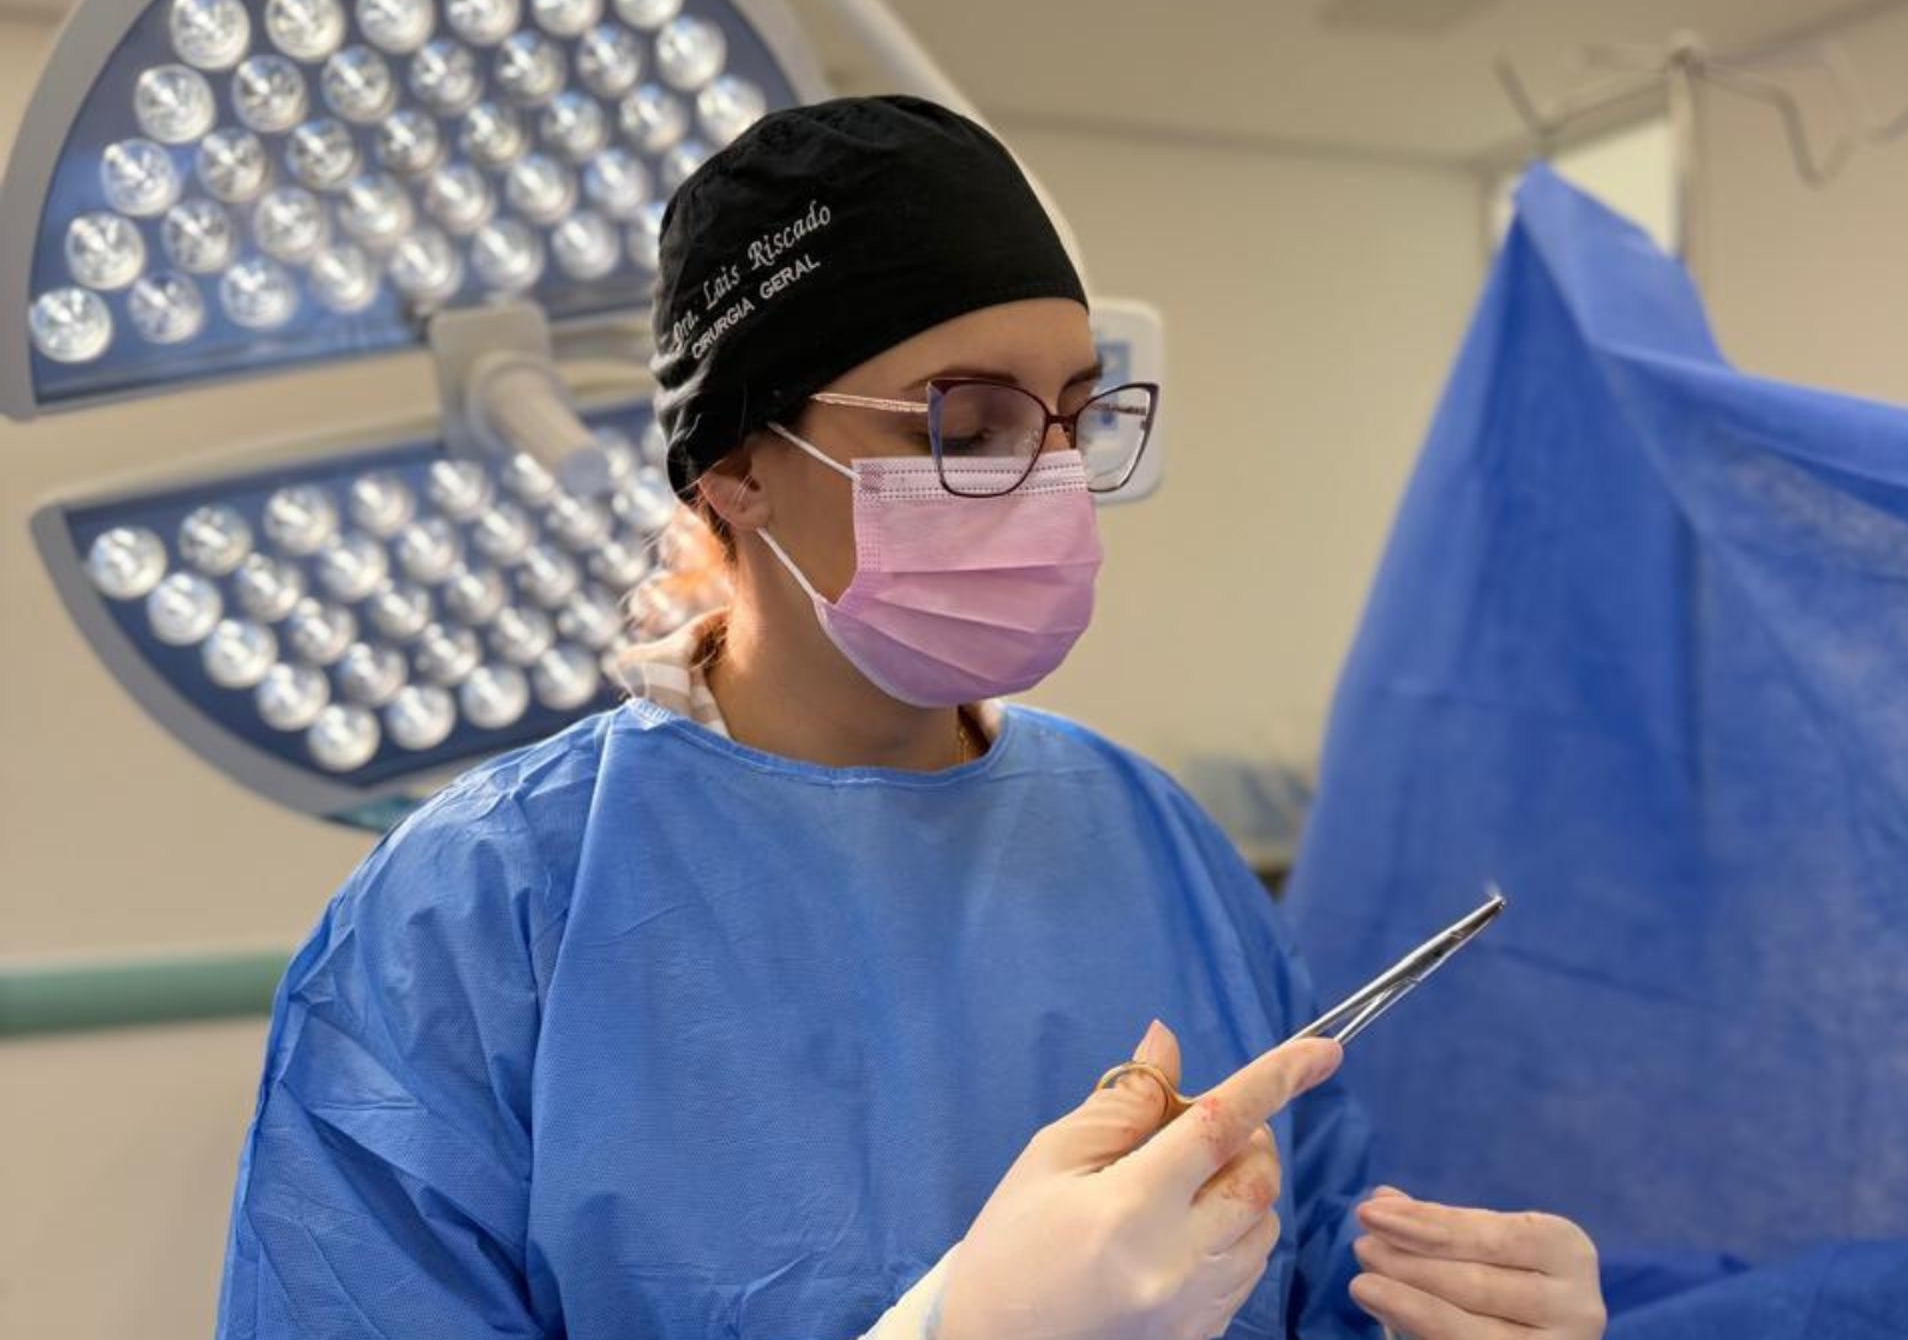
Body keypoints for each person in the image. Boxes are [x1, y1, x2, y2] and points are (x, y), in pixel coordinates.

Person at [214, 94, 1606, 1340]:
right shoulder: (479, 914)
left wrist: (1445, 1322)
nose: (1048, 480)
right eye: (967, 425)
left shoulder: (1152, 841)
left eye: (1074, 418)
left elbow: (1304, 1267)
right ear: (738, 465)